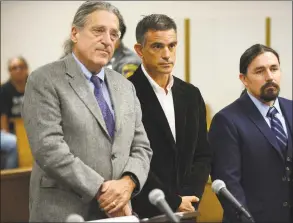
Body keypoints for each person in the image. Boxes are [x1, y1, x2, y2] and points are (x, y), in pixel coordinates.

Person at [22, 1, 152, 222]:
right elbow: (48, 148)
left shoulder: (125, 86)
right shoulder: (44, 79)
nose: (107, 40)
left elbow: (142, 147)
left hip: (118, 211)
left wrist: (128, 183)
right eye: (98, 30)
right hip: (64, 210)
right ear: (75, 33)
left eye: (114, 34)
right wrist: (104, 190)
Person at [128, 14, 212, 219]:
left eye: (172, 46)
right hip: (145, 209)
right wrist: (172, 201)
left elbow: (202, 155)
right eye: (157, 47)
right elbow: (128, 157)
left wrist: (188, 197)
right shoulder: (126, 91)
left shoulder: (191, 94)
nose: (167, 54)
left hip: (187, 209)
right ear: (140, 50)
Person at [209, 44, 292, 223]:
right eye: (260, 71)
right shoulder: (227, 120)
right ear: (244, 79)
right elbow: (229, 185)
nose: (269, 76)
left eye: (274, 69)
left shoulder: (291, 109)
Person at [0, 56, 28, 169]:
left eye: (21, 67)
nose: (18, 70)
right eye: (14, 68)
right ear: (9, 72)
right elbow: (3, 116)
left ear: (26, 69)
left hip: (30, 129)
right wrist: (6, 132)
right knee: (15, 143)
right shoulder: (4, 90)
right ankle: (10, 180)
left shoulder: (34, 86)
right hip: (10, 131)